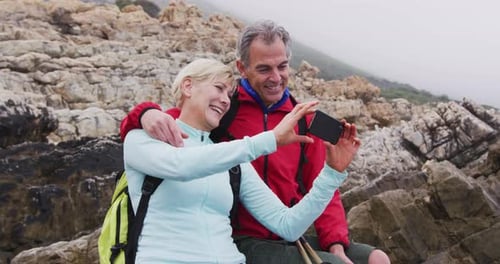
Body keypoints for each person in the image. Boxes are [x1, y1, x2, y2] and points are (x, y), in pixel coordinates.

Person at [121, 20, 391, 264]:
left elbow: (299, 210)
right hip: (244, 238)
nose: (275, 77)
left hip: (277, 234)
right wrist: (144, 113)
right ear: (243, 68)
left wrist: (335, 234)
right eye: (264, 68)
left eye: (282, 66)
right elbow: (179, 138)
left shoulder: (299, 120)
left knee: (375, 259)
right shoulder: (224, 115)